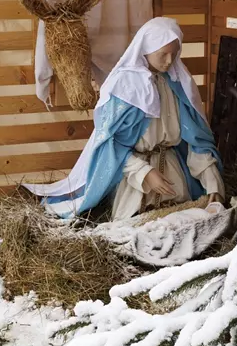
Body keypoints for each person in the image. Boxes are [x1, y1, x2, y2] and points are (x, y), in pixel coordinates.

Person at [24, 17, 224, 220]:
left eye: (174, 54)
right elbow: (110, 143)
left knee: (184, 220)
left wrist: (213, 185)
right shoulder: (124, 87)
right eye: (163, 54)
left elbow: (197, 142)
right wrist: (144, 172)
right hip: (135, 180)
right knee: (137, 224)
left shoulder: (178, 84)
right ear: (145, 49)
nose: (169, 61)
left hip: (173, 175)